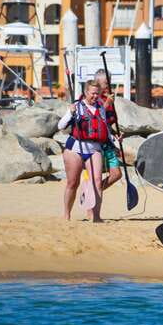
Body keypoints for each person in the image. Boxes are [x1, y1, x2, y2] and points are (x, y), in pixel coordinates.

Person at [58, 80, 113, 222]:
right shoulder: (77, 106)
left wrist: (114, 139)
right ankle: (66, 215)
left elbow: (105, 129)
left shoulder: (101, 108)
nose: (96, 96)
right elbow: (61, 126)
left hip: (94, 149)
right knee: (73, 183)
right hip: (75, 148)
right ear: (86, 93)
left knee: (97, 181)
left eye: (97, 93)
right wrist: (70, 113)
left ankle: (96, 216)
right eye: (93, 93)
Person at [93, 69, 122, 192]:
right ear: (97, 82)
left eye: (109, 81)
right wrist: (106, 104)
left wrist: (115, 135)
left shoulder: (107, 98)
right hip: (95, 144)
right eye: (105, 82)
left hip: (107, 142)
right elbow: (93, 117)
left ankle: (95, 191)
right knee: (96, 177)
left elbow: (107, 122)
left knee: (116, 174)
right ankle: (94, 193)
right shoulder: (90, 98)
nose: (107, 84)